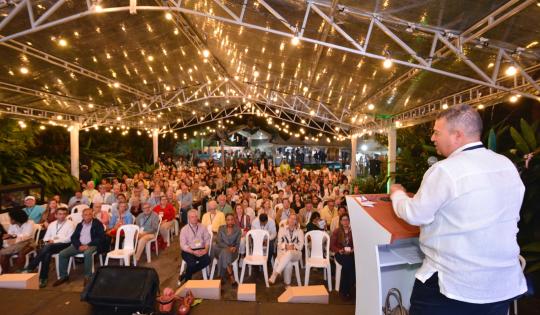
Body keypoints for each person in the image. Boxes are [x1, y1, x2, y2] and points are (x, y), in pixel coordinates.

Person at [390, 104, 526, 315]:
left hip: (453, 286)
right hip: (501, 285)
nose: (433, 138)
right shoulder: (506, 165)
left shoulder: (445, 170)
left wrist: (397, 194)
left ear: (457, 135)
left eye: (436, 132)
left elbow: (416, 214)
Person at [24, 207, 74, 288]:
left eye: (64, 214)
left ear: (67, 215)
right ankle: (43, 278)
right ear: (56, 215)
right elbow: (46, 238)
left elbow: (68, 239)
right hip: (51, 246)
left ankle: (31, 266)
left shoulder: (71, 224)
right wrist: (51, 241)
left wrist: (54, 240)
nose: (62, 216)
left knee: (48, 247)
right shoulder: (52, 224)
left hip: (65, 245)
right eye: (60, 214)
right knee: (47, 253)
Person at [54, 208, 105, 286]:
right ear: (82, 216)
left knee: (87, 253)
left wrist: (88, 245)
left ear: (92, 215)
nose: (88, 216)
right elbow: (73, 237)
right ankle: (63, 276)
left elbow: (101, 237)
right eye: (85, 215)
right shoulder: (79, 225)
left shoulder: (97, 224)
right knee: (62, 254)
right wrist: (79, 246)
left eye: (90, 214)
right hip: (80, 245)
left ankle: (88, 276)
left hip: (92, 245)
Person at [269, 213, 304, 287]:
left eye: (294, 219)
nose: (292, 220)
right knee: (288, 262)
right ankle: (287, 284)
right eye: (290, 218)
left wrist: (293, 246)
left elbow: (301, 246)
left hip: (296, 253)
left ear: (296, 221)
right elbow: (279, 243)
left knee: (290, 253)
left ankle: (275, 273)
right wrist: (286, 246)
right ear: (288, 219)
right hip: (283, 252)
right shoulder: (282, 230)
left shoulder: (300, 231)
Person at [179, 209, 211, 284]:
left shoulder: (203, 227)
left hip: (201, 249)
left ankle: (186, 274)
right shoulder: (184, 229)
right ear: (189, 218)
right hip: (189, 251)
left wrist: (206, 249)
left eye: (196, 216)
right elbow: (183, 245)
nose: (195, 218)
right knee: (192, 263)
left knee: (207, 260)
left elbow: (207, 239)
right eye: (192, 217)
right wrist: (193, 252)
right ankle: (187, 281)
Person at [212, 213, 241, 286]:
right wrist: (228, 247)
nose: (230, 221)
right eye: (228, 220)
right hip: (219, 249)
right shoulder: (221, 228)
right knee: (224, 251)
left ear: (234, 220)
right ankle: (232, 277)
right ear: (225, 221)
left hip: (232, 251)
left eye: (231, 220)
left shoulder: (238, 229)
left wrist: (234, 248)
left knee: (224, 253)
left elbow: (238, 243)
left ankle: (220, 276)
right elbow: (218, 241)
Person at [330, 214, 355, 299]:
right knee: (348, 264)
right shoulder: (337, 231)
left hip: (350, 253)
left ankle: (345, 289)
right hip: (340, 254)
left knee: (350, 264)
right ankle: (347, 290)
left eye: (347, 220)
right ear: (340, 221)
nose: (345, 222)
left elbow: (357, 244)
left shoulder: (353, 231)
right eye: (343, 220)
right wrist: (339, 250)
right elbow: (332, 246)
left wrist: (353, 250)